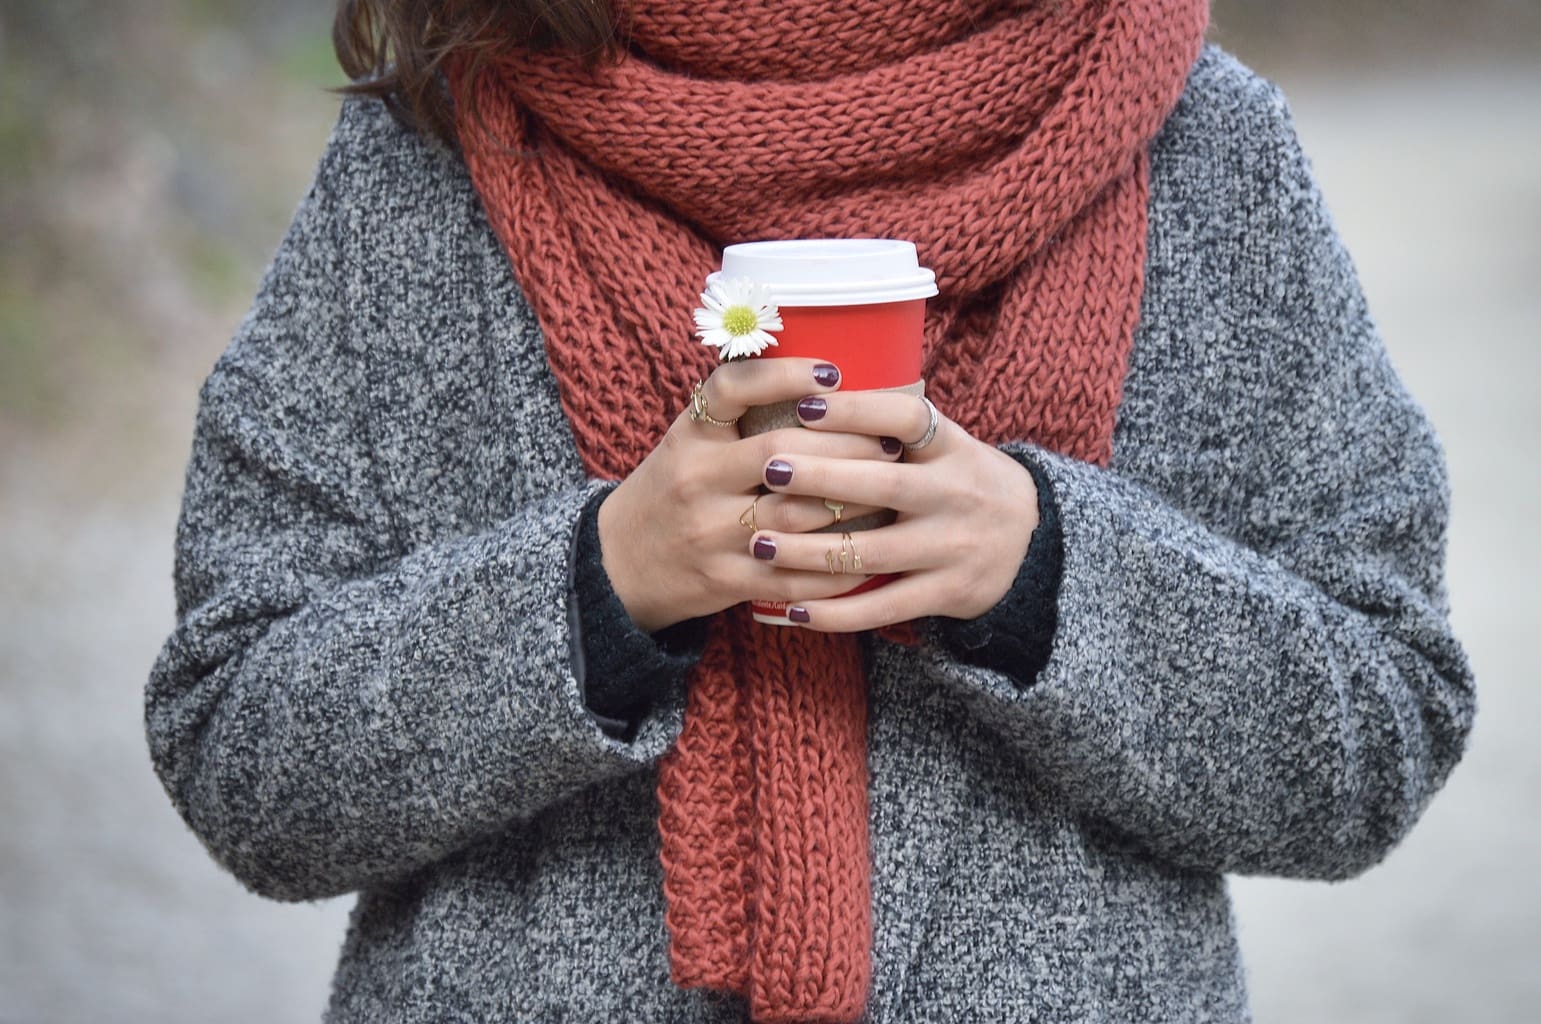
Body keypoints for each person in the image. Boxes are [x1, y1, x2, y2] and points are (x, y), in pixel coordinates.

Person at [144, 0, 1477, 1020]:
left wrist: (1047, 573)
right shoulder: (431, 157)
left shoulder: (1199, 147)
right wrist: (595, 587)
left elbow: (1379, 730)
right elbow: (240, 754)